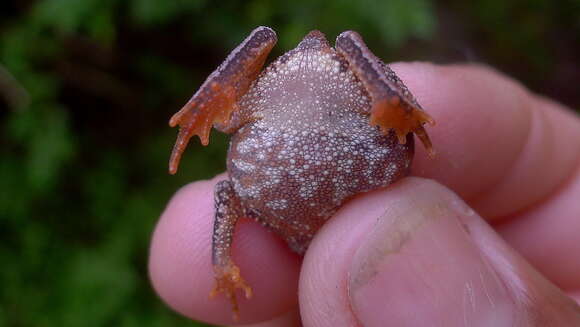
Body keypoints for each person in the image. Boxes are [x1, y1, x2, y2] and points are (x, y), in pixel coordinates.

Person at [149, 63, 580, 326]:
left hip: (287, 120)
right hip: (337, 120)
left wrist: (223, 264)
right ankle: (388, 96)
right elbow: (226, 196)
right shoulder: (305, 227)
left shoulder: (274, 218)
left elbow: (229, 196)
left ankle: (387, 96)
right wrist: (222, 265)